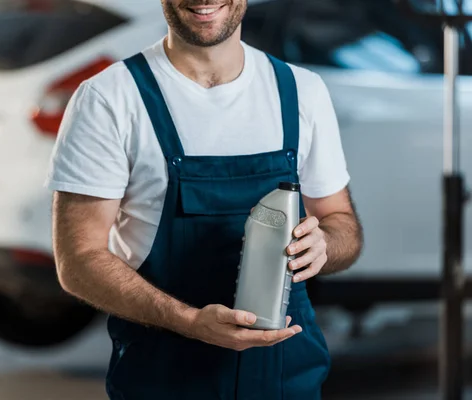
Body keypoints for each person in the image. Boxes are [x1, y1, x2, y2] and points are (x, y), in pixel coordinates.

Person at [46, 1, 363, 398]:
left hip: (286, 378)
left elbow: (341, 223)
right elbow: (78, 260)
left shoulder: (302, 91)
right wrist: (188, 321)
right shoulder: (109, 99)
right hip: (165, 378)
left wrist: (323, 246)